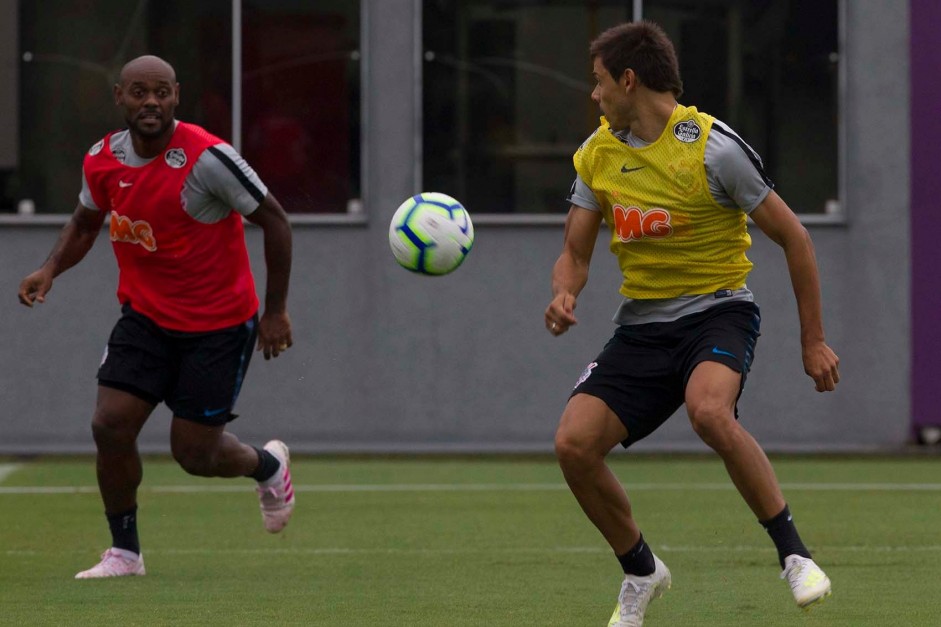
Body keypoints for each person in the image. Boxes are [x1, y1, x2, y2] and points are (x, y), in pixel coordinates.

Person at [544, 22, 840, 626]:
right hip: (642, 327)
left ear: (629, 80)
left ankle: (794, 556)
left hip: (719, 310)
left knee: (709, 410)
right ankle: (641, 570)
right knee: (573, 445)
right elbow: (575, 252)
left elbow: (796, 238)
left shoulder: (713, 150)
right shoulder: (597, 153)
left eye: (599, 82)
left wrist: (813, 340)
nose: (593, 96)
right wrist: (564, 293)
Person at [17, 55, 297, 579]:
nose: (152, 102)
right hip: (145, 319)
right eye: (140, 92)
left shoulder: (208, 158)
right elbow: (84, 223)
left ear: (176, 97)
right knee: (110, 424)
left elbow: (276, 222)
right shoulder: (102, 159)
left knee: (194, 454)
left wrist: (276, 311)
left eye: (162, 93)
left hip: (217, 325)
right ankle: (125, 552)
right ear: (119, 96)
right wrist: (50, 268)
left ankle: (268, 465)